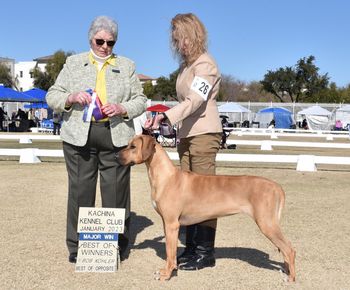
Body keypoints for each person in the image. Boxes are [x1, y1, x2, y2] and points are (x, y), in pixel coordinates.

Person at [46, 15, 147, 264]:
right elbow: (52, 95)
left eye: (110, 43)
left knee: (116, 192)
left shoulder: (127, 65)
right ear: (91, 39)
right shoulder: (73, 63)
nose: (104, 47)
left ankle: (115, 244)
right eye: (99, 41)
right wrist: (70, 97)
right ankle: (77, 245)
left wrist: (122, 108)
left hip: (115, 136)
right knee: (81, 191)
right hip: (79, 137)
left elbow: (140, 100)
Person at [144, 13, 222, 271]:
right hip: (187, 135)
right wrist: (163, 119)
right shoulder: (186, 67)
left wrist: (166, 115)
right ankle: (189, 249)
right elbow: (185, 103)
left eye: (183, 38)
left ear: (195, 35)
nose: (180, 45)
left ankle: (205, 252)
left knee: (206, 195)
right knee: (186, 196)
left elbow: (196, 101)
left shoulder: (205, 65)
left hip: (204, 135)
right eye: (176, 40)